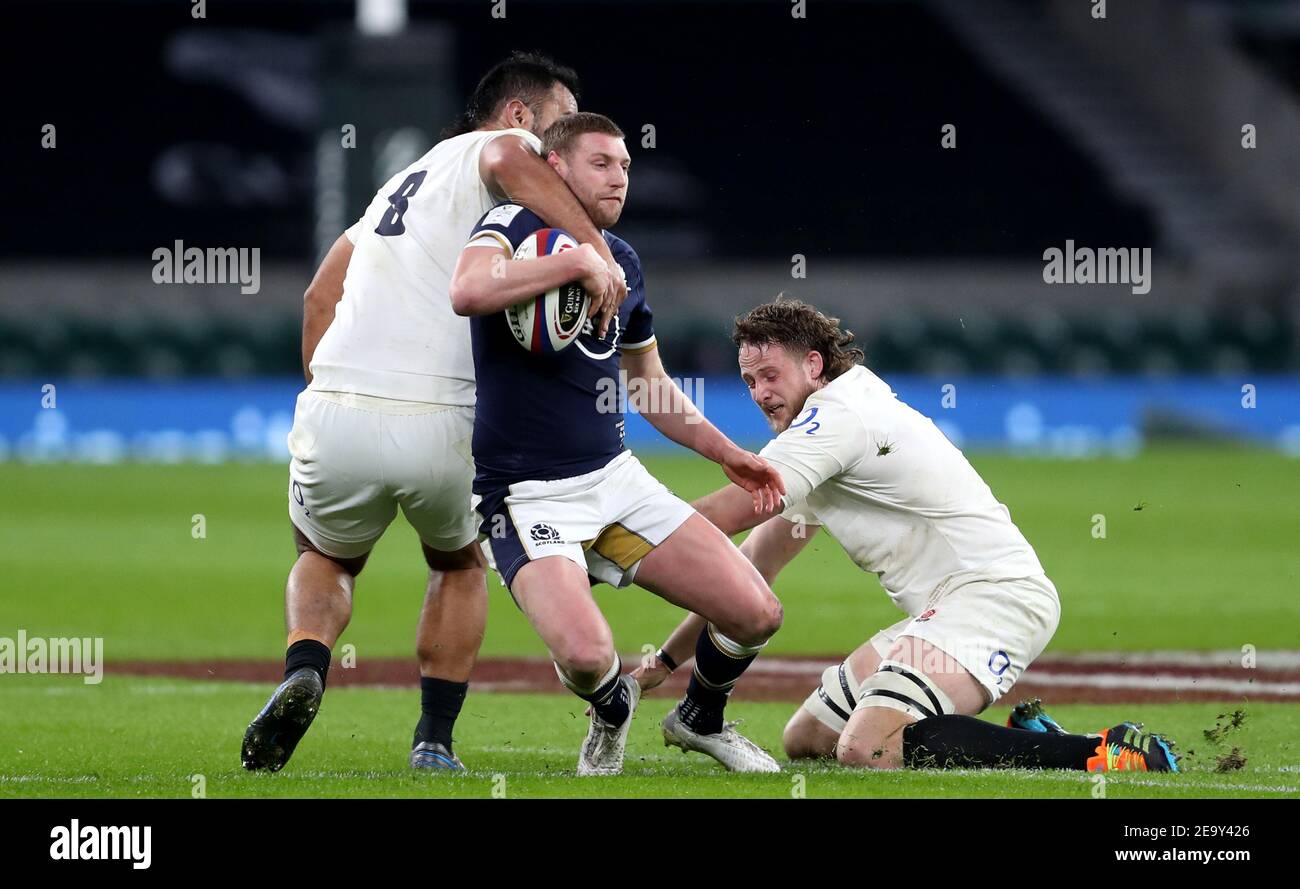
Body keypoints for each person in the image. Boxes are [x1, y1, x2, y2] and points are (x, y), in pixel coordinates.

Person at [242, 52, 628, 774]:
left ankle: (306, 666)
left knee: (324, 555)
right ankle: (433, 740)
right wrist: (595, 250)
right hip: (443, 414)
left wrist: (329, 392)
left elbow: (319, 296)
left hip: (338, 405)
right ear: (517, 113)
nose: (562, 143)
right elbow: (511, 159)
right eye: (559, 122)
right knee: (459, 564)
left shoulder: (400, 183)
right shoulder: (504, 149)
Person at [635, 297, 1179, 773]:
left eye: (771, 375)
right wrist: (664, 662)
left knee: (868, 748)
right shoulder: (826, 430)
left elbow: (726, 516)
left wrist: (618, 531)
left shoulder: (838, 421)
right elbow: (752, 566)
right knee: (808, 738)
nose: (760, 393)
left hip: (995, 597)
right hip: (941, 613)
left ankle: (1101, 751)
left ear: (813, 365)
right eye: (750, 381)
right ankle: (1031, 736)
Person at [448, 112, 786, 774]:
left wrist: (727, 453)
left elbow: (648, 383)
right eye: (601, 163)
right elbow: (467, 290)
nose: (619, 178)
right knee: (585, 656)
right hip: (524, 495)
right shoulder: (512, 225)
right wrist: (578, 259)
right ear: (556, 167)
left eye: (625, 166)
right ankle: (610, 706)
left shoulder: (624, 259)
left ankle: (700, 719)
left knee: (757, 613)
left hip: (613, 480)